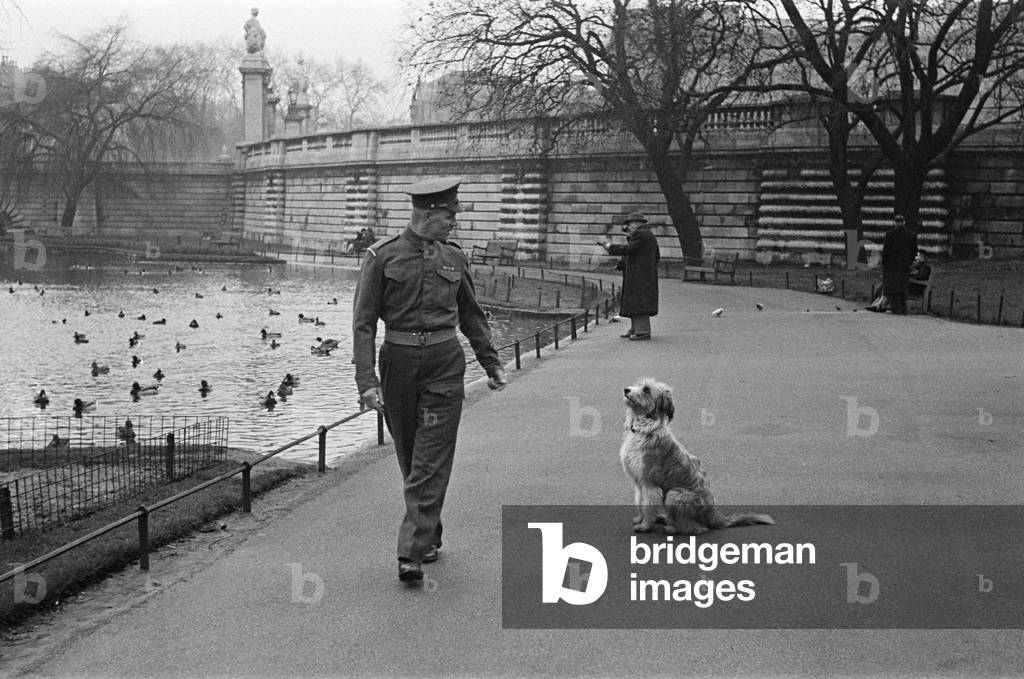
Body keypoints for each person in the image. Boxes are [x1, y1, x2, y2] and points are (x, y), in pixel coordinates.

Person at [352, 175, 507, 583]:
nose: (453, 223)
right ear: (427, 213)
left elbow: (472, 314)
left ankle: (411, 552)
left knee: (431, 457)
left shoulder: (454, 258)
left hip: (443, 364)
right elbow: (364, 324)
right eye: (449, 216)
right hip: (398, 364)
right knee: (410, 455)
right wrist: (367, 382)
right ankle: (429, 532)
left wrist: (490, 362)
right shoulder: (382, 257)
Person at [597, 211, 660, 340]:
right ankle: (635, 329)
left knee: (640, 301)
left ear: (637, 224)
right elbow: (638, 253)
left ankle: (642, 331)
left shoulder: (641, 234)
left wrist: (609, 246)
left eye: (630, 224)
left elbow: (629, 250)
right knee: (635, 301)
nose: (628, 227)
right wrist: (622, 264)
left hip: (640, 276)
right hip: (642, 274)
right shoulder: (646, 234)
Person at [876, 214, 918, 315]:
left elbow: (886, 250)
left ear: (894, 222)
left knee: (892, 288)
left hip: (891, 265)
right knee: (902, 287)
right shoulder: (911, 235)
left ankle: (896, 309)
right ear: (904, 222)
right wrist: (909, 261)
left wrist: (884, 262)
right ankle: (903, 309)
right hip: (904, 265)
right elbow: (914, 251)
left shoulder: (890, 234)